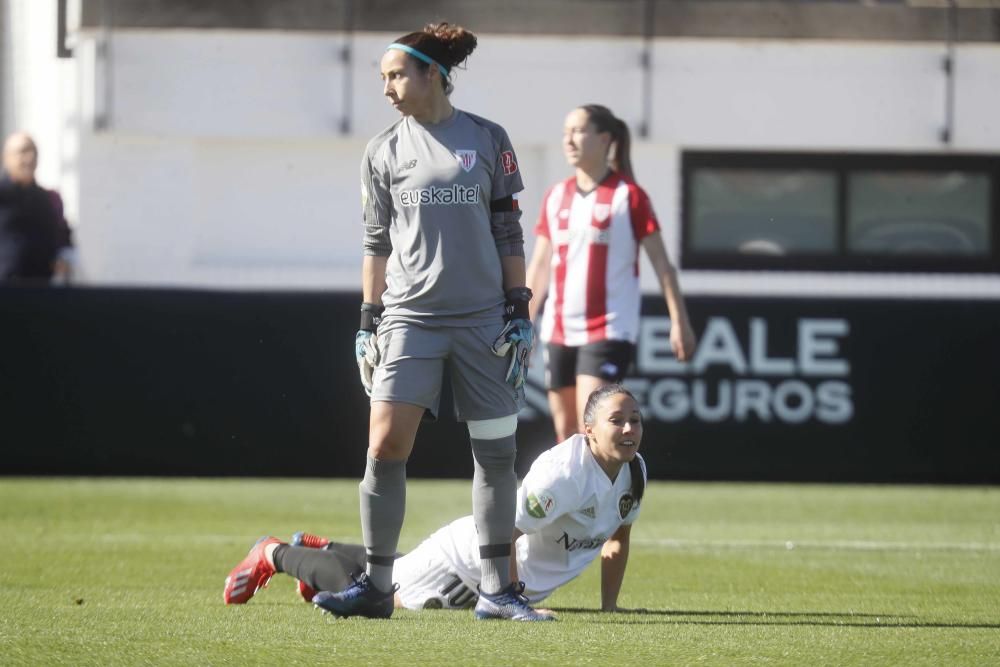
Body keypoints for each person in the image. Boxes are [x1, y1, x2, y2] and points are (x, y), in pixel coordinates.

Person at [224, 23, 542, 621]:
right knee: (383, 448)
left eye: (397, 75)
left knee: (496, 458)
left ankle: (498, 592)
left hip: (484, 324)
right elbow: (375, 242)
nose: (388, 88)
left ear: (432, 75)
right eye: (383, 78)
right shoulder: (382, 150)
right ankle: (375, 587)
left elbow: (508, 230)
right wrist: (369, 321)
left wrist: (518, 309)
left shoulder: (488, 138)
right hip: (409, 320)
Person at [223, 384, 646, 615]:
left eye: (635, 420)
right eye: (616, 421)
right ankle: (275, 552)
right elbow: (505, 532)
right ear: (588, 429)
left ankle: (325, 549)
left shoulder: (635, 472)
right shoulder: (565, 473)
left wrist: (610, 609)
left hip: (494, 572)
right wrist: (510, 598)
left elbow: (615, 540)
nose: (628, 429)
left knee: (395, 572)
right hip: (470, 562)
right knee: (379, 596)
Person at [526, 105, 697, 442]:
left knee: (592, 428)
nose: (569, 140)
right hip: (558, 329)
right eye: (565, 133)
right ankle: (573, 497)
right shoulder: (556, 196)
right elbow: (540, 266)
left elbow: (662, 264)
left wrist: (680, 321)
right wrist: (523, 324)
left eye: (578, 131)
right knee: (566, 434)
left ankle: (611, 495)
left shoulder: (628, 196)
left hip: (608, 328)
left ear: (605, 139)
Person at [0, 132, 74, 283]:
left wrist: (64, 258)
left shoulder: (48, 199)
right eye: (23, 151)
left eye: (34, 152)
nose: (30, 157)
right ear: (6, 158)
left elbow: (63, 237)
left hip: (40, 291)